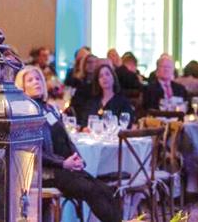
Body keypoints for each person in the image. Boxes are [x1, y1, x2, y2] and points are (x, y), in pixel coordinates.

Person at [14, 64, 122, 222]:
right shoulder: (23, 113)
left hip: (63, 167)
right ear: (22, 87)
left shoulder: (50, 109)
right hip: (42, 172)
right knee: (91, 190)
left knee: (105, 190)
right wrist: (63, 163)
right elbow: (31, 151)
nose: (36, 82)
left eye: (38, 78)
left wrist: (77, 158)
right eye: (30, 80)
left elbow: (65, 139)